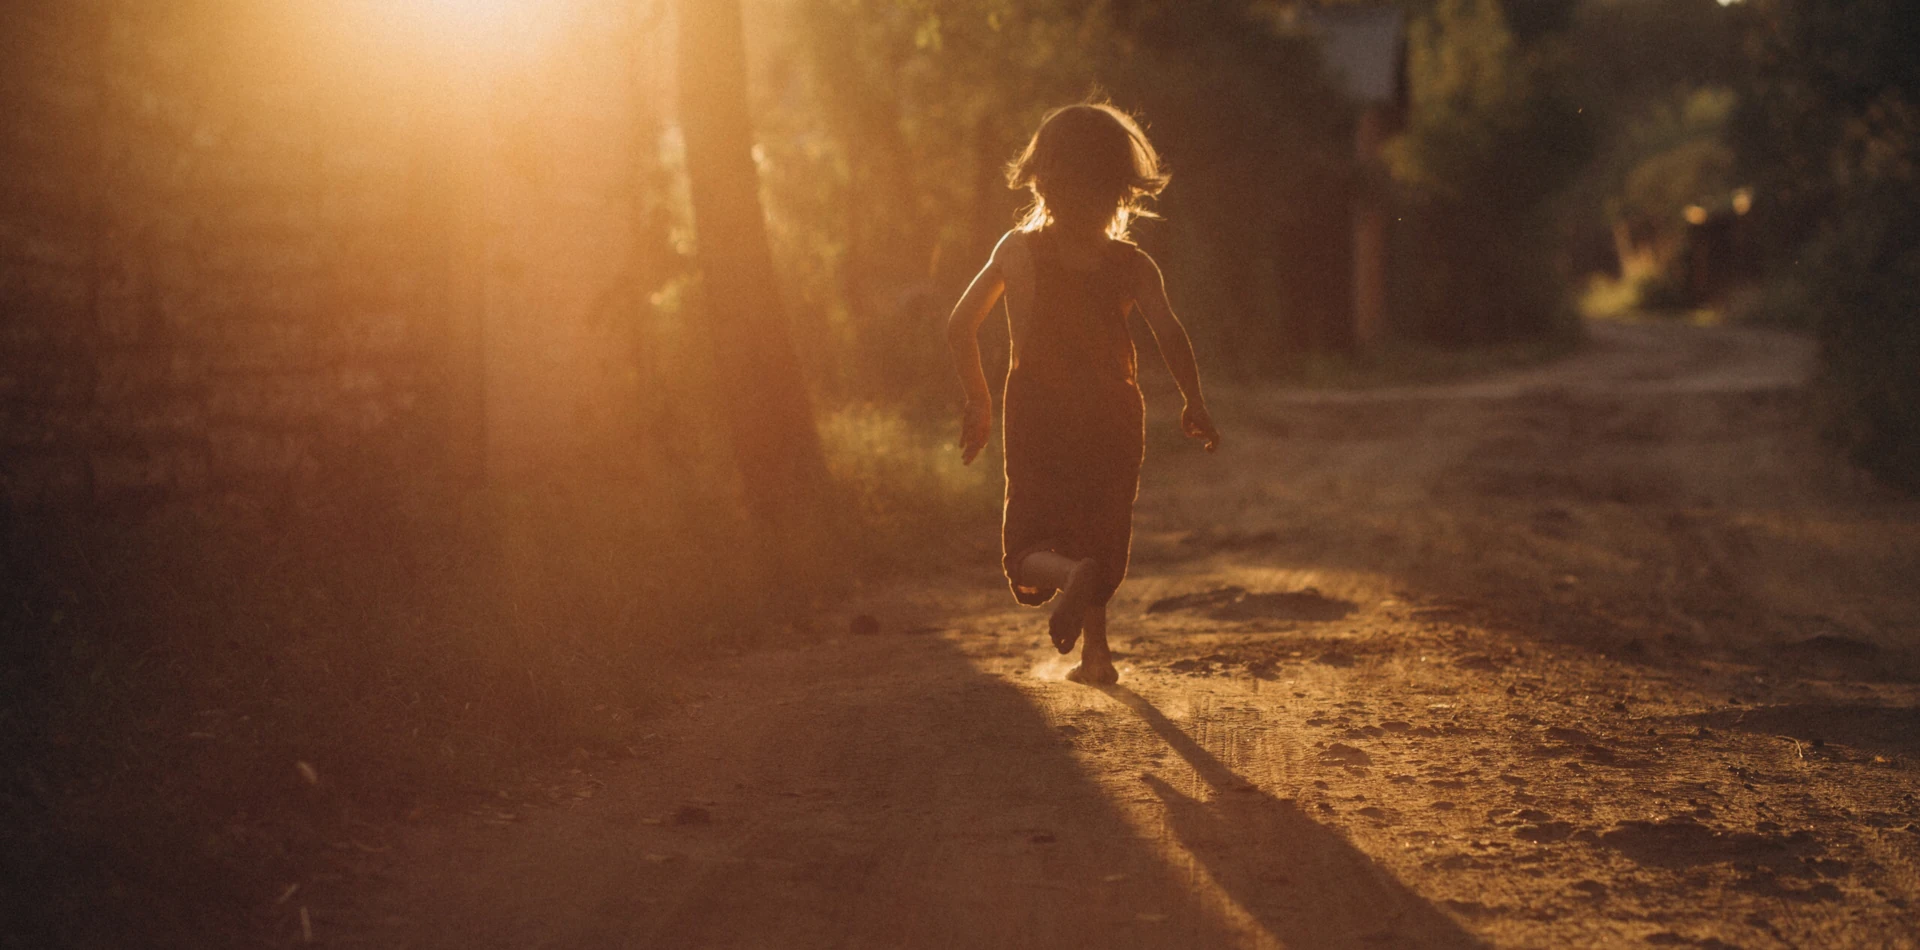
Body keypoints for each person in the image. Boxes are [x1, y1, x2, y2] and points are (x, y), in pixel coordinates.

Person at [946, 101, 1220, 686]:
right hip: (1112, 414)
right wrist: (1192, 401)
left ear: (1041, 177)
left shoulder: (1015, 250)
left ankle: (1068, 578)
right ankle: (1098, 655)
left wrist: (979, 400)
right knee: (1098, 529)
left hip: (1038, 411)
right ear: (1122, 189)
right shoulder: (1131, 263)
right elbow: (1169, 332)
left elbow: (959, 325)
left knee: (1026, 547)